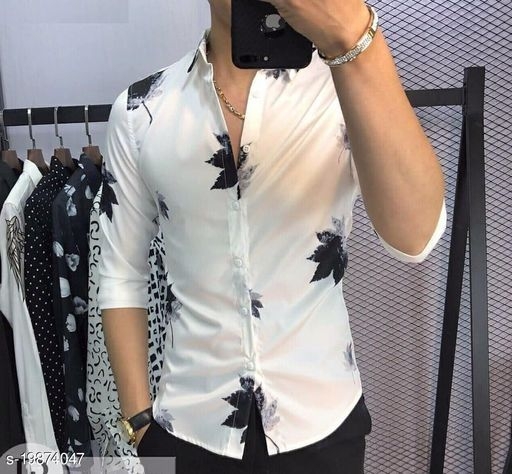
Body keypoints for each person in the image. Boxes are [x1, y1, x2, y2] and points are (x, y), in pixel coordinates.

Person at [98, 0, 447, 473]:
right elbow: (120, 273)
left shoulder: (344, 84)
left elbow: (415, 238)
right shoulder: (142, 111)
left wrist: (353, 40)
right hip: (187, 428)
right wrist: (139, 423)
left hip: (324, 422)